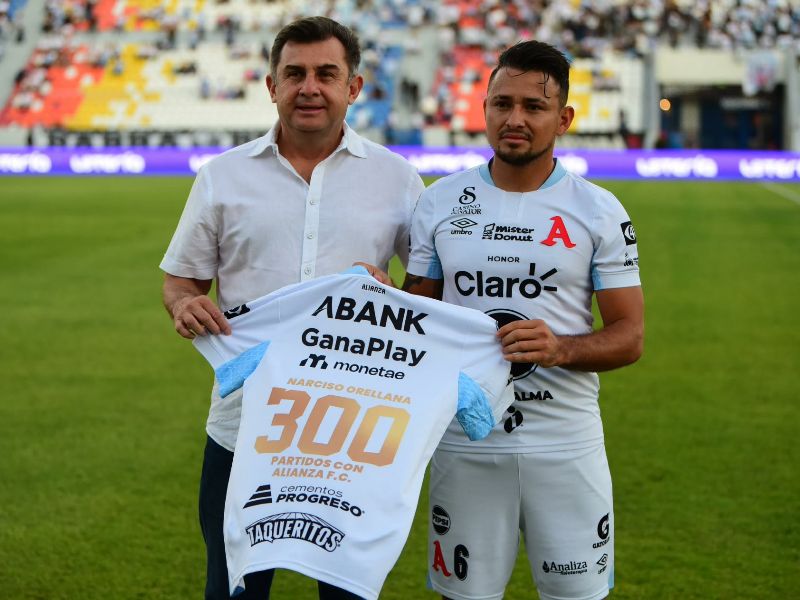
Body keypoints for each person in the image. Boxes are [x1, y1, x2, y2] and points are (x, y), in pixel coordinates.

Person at [159, 16, 424, 600]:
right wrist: (184, 306)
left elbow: (430, 296)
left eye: (326, 73)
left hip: (353, 432)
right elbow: (182, 281)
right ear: (270, 84)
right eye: (295, 73)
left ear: (353, 88)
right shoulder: (221, 178)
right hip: (242, 426)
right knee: (233, 587)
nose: (310, 87)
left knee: (347, 591)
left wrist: (390, 292)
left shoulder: (398, 179)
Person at [369, 40, 644, 600]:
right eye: (501, 104)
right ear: (485, 107)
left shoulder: (598, 210)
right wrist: (380, 299)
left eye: (533, 107)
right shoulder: (441, 201)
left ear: (563, 118)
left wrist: (560, 348)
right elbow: (417, 311)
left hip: (565, 442)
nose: (514, 119)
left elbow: (629, 337)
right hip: (465, 439)